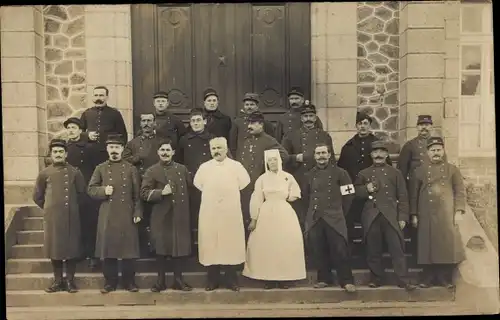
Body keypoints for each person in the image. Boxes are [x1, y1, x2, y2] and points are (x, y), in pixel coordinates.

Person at [354, 140, 416, 291]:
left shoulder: (395, 173)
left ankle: (403, 279)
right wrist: (365, 189)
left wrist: (402, 217)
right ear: (371, 155)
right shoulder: (364, 173)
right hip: (371, 214)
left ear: (387, 154)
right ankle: (376, 278)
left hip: (391, 215)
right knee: (373, 248)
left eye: (382, 152)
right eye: (375, 152)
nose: (378, 155)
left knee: (397, 247)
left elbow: (403, 196)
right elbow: (354, 193)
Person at [242, 149, 306, 289]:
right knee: (268, 244)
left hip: (284, 212)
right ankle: (268, 278)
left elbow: (295, 192)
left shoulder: (288, 177)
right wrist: (254, 218)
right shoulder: (262, 179)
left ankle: (284, 278)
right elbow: (257, 198)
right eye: (270, 160)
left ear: (280, 161)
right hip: (266, 213)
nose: (272, 162)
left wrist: (289, 197)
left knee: (284, 244)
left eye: (275, 160)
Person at [193, 137, 251, 291]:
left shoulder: (236, 167)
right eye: (213, 149)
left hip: (230, 212)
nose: (217, 151)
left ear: (226, 149)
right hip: (210, 212)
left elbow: (244, 182)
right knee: (211, 243)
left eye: (219, 148)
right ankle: (212, 279)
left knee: (230, 244)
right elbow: (198, 184)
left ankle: (231, 280)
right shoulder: (204, 168)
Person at [88, 134, 143, 294]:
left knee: (128, 250)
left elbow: (137, 194)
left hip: (127, 213)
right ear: (107, 149)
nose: (114, 150)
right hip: (108, 214)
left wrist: (138, 211)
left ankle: (129, 281)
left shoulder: (131, 168)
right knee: (108, 249)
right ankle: (110, 282)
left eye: (117, 147)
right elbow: (90, 189)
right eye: (111, 147)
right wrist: (103, 190)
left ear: (122, 149)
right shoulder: (100, 168)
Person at [409, 137, 466, 289]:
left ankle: (443, 278)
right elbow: (413, 194)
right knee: (426, 245)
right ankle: (426, 278)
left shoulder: (452, 169)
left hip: (446, 213)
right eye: (433, 150)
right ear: (427, 152)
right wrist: (414, 214)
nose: (436, 153)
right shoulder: (419, 171)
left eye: (439, 150)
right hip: (425, 213)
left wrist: (459, 211)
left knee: (445, 245)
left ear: (443, 151)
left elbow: (460, 191)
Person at [32, 139, 85, 293]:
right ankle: (57, 281)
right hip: (53, 218)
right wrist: (49, 208)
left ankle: (69, 281)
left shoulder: (75, 172)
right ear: (51, 154)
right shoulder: (44, 173)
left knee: (71, 248)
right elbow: (37, 196)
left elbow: (82, 194)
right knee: (54, 248)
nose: (58, 154)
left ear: (66, 154)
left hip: (71, 217)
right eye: (55, 152)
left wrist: (72, 208)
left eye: (61, 151)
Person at [302, 143, 356, 293]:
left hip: (335, 217)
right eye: (318, 153)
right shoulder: (309, 175)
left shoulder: (341, 173)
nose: (321, 156)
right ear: (314, 156)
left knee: (340, 249)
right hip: (315, 218)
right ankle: (324, 279)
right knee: (319, 249)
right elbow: (306, 197)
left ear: (329, 155)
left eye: (324, 153)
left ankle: (346, 280)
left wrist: (339, 211)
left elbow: (349, 195)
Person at [141, 139, 193, 292]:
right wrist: (160, 193)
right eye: (162, 150)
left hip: (180, 215)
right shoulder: (152, 171)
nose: (165, 153)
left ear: (173, 152)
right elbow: (143, 193)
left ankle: (178, 280)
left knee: (179, 248)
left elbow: (190, 190)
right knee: (161, 249)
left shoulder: (182, 169)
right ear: (158, 152)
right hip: (161, 216)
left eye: (168, 150)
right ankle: (160, 281)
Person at [337, 110, 392, 234]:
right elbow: (341, 171)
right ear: (356, 126)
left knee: (372, 223)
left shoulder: (378, 145)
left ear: (369, 125)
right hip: (352, 191)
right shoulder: (348, 146)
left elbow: (387, 168)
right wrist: (346, 193)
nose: (362, 126)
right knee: (350, 221)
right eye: (360, 123)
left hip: (374, 191)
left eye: (365, 123)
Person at [281, 103, 335, 229]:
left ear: (315, 118)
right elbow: (282, 156)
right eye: (305, 116)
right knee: (300, 213)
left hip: (320, 178)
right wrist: (295, 158)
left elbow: (331, 159)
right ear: (301, 118)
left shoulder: (324, 136)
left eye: (311, 116)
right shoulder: (291, 135)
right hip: (299, 178)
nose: (308, 119)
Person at [235, 111, 289, 235]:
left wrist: (267, 167)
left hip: (259, 186)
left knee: (259, 219)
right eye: (249, 123)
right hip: (243, 186)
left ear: (261, 125)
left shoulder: (269, 141)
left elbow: (284, 156)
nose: (249, 126)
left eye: (253, 123)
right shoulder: (245, 141)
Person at [123, 113, 164, 257]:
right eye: (144, 121)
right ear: (140, 124)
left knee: (157, 216)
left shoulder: (161, 142)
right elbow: (124, 160)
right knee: (141, 215)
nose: (146, 123)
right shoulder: (133, 143)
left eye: (149, 121)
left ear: (154, 123)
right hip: (139, 183)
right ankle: (142, 249)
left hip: (157, 184)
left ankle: (157, 249)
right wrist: (137, 158)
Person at [63, 117, 101, 269]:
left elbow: (96, 169)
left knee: (89, 223)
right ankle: (77, 253)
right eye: (69, 128)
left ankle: (93, 255)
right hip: (70, 190)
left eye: (74, 127)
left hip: (87, 190)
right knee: (74, 223)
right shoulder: (64, 148)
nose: (71, 130)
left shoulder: (89, 148)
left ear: (80, 130)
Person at [178, 108, 216, 251]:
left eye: (198, 120)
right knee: (192, 215)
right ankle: (192, 248)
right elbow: (179, 161)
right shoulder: (184, 140)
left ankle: (209, 246)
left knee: (208, 215)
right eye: (193, 121)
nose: (195, 123)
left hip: (209, 184)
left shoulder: (212, 139)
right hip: (190, 183)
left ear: (205, 122)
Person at [80, 86, 128, 165]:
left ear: (107, 97)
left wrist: (116, 151)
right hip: (90, 153)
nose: (98, 98)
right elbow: (79, 133)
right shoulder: (87, 113)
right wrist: (87, 135)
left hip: (108, 154)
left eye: (101, 95)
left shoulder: (115, 113)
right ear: (93, 97)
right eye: (96, 95)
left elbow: (123, 135)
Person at [398, 115, 447, 185]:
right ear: (417, 127)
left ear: (431, 127)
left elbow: (444, 166)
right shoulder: (410, 145)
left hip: (434, 184)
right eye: (421, 125)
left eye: (426, 125)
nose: (424, 127)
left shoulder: (438, 145)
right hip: (415, 185)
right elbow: (402, 170)